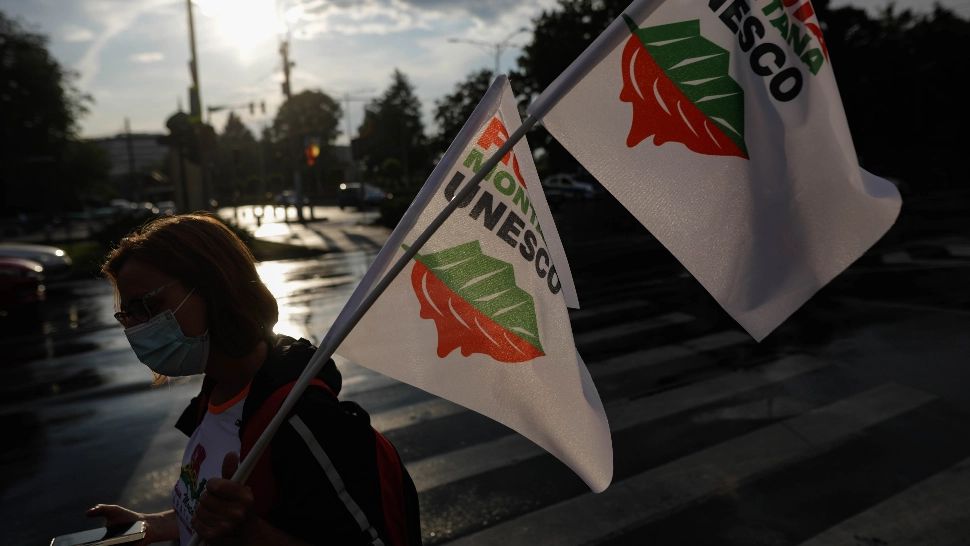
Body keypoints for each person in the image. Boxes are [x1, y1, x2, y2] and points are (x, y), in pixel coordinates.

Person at [87, 213, 421, 545]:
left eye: (148, 305)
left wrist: (252, 534)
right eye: (127, 314)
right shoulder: (216, 391)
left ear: (214, 286)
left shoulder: (300, 417)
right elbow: (209, 515)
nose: (136, 327)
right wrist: (153, 524)